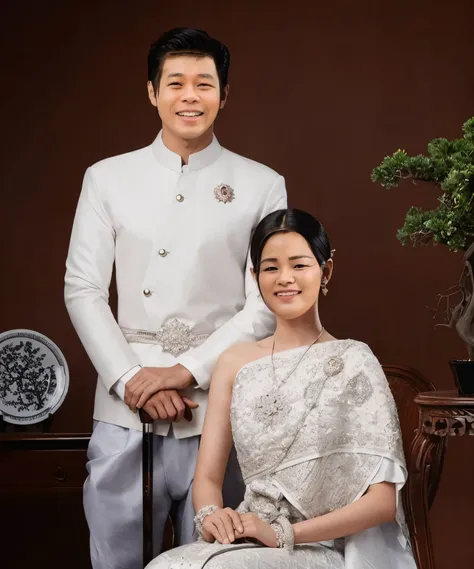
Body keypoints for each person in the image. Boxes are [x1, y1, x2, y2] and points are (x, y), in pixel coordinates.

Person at [64, 27, 287, 569]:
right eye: (176, 83)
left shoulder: (261, 184)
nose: (190, 96)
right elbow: (84, 288)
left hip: (217, 407)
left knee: (216, 562)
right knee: (115, 559)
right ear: (152, 92)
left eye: (204, 84)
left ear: (224, 95)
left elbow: (264, 303)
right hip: (123, 407)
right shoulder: (107, 178)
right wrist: (131, 380)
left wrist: (184, 371)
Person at [148, 208, 417, 569]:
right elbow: (208, 478)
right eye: (271, 267)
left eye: (299, 265)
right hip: (247, 538)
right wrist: (211, 516)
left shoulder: (353, 360)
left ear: (326, 270)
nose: (285, 278)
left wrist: (282, 534)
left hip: (320, 545)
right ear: (255, 276)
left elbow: (383, 502)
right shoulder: (233, 363)